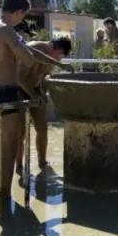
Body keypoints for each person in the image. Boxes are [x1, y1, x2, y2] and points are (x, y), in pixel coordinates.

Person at [0, 0, 72, 213]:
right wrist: (20, 44)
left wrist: (20, 44)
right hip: (8, 93)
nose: (23, 20)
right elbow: (28, 59)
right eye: (23, 16)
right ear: (18, 12)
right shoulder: (7, 30)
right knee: (8, 148)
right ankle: (5, 195)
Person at [15, 37, 72, 172]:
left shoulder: (54, 59)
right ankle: (18, 165)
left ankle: (42, 162)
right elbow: (20, 77)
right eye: (60, 54)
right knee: (20, 132)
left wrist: (42, 93)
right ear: (54, 48)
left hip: (36, 89)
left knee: (42, 128)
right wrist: (33, 96)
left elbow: (44, 76)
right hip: (19, 89)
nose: (59, 58)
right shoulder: (33, 48)